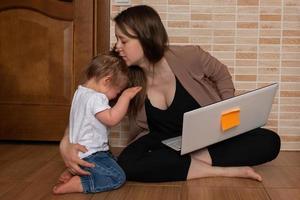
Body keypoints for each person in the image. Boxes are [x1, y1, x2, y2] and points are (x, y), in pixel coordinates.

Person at [59, 5, 281, 183]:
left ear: (146, 38)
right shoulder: (121, 73)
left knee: (269, 141)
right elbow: (86, 99)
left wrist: (225, 108)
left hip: (208, 138)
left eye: (124, 40)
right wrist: (66, 141)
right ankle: (224, 171)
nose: (117, 46)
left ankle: (188, 162)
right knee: (128, 163)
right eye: (117, 39)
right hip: (162, 142)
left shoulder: (188, 56)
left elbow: (220, 73)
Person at [53, 54, 141, 194]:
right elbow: (111, 118)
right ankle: (80, 183)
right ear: (107, 81)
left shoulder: (80, 92)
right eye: (117, 92)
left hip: (82, 152)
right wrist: (125, 97)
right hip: (92, 154)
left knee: (116, 163)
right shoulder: (96, 98)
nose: (115, 97)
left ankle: (77, 172)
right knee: (117, 177)